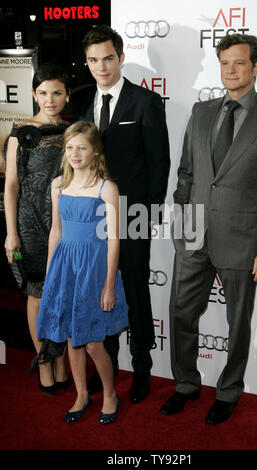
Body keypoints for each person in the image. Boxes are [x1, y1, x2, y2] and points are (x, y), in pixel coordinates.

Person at [160, 33, 257, 424]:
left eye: (239, 63)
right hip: (193, 236)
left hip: (243, 240)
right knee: (181, 313)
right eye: (224, 63)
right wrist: (182, 222)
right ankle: (185, 384)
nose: (230, 71)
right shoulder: (201, 113)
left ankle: (229, 390)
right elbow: (186, 172)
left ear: (255, 67)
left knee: (237, 323)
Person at [72, 25, 170, 403]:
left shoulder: (145, 101)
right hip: (91, 217)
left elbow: (159, 162)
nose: (101, 66)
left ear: (121, 57)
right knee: (101, 291)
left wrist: (149, 213)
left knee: (136, 290)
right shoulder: (82, 103)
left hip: (132, 215)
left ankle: (142, 367)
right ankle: (108, 366)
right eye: (93, 60)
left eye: (108, 58)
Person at [36, 121, 128, 424]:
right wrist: (51, 276)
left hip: (94, 271)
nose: (75, 153)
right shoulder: (58, 185)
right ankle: (81, 394)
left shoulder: (107, 188)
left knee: (92, 343)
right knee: (72, 338)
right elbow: (55, 232)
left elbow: (114, 239)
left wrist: (109, 285)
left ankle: (110, 394)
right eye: (70, 147)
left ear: (95, 152)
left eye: (82, 147)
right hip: (65, 268)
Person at [4, 63, 71, 396]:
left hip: (66, 223)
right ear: (33, 94)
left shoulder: (74, 132)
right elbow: (12, 186)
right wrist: (10, 232)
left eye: (57, 92)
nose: (50, 99)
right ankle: (43, 362)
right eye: (43, 92)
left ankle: (60, 360)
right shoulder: (21, 132)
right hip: (30, 225)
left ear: (67, 95)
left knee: (61, 296)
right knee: (37, 296)